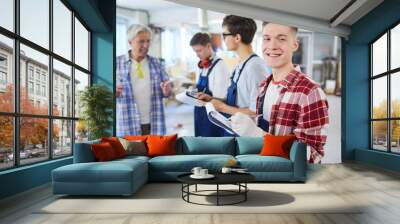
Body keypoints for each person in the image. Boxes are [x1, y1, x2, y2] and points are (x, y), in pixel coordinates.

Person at [231, 22, 329, 163]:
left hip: (287, 180)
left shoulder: (309, 93)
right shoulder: (264, 86)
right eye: (267, 38)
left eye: (281, 39)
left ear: (295, 45)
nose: (272, 46)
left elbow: (310, 157)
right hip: (261, 168)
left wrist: (257, 134)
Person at [197, 15, 267, 135]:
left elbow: (256, 112)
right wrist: (212, 99)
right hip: (233, 127)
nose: (223, 38)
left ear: (237, 38)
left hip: (246, 136)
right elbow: (238, 100)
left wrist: (222, 108)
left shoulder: (255, 67)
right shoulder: (240, 64)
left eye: (225, 35)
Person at [116, 24, 172, 136]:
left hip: (154, 122)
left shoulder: (157, 63)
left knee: (155, 153)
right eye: (141, 41)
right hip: (128, 122)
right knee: (131, 153)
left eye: (148, 41)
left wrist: (167, 91)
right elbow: (108, 91)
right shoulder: (117, 63)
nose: (146, 45)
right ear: (130, 42)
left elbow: (168, 90)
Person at [190, 32, 230, 137]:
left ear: (208, 46)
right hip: (200, 112)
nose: (197, 54)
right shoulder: (201, 65)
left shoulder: (220, 66)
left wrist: (207, 98)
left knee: (212, 145)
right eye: (194, 51)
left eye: (199, 50)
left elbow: (222, 99)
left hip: (213, 114)